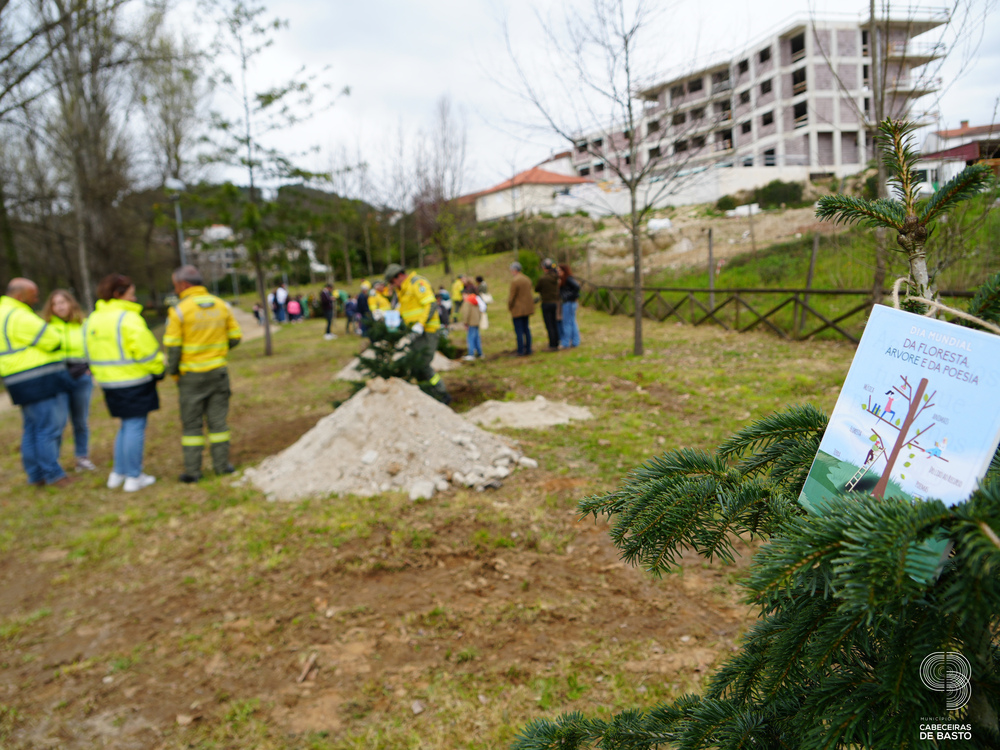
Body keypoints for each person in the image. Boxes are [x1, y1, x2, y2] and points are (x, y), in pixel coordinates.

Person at [164, 265, 242, 483]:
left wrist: (173, 372)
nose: (175, 290)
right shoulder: (221, 305)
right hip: (218, 373)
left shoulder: (179, 310)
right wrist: (216, 349)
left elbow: (173, 347)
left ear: (184, 285)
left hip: (191, 377)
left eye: (175, 285)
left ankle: (193, 471)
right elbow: (235, 337)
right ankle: (222, 466)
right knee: (218, 424)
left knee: (192, 426)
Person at [86, 274, 164, 492]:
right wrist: (159, 369)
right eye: (131, 293)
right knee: (134, 427)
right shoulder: (128, 318)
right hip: (133, 381)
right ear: (118, 294)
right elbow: (146, 351)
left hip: (109, 382)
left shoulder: (94, 318)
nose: (134, 297)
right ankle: (133, 476)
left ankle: (118, 473)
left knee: (125, 426)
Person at [0, 278, 75, 487]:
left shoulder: (3, 312)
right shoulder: (18, 315)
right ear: (20, 295)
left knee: (33, 428)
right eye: (34, 294)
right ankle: (53, 474)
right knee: (49, 428)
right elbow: (51, 340)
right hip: (37, 379)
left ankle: (35, 475)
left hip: (16, 379)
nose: (37, 298)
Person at [42, 289, 96, 471]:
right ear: (51, 307)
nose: (60, 307)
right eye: (55, 304)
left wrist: (91, 369)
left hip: (81, 377)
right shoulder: (47, 326)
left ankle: (82, 457)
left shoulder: (83, 324)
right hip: (58, 379)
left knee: (80, 420)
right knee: (57, 422)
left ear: (71, 303)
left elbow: (94, 348)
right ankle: (53, 461)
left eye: (62, 302)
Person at [385, 263, 450, 404]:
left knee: (424, 363)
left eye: (392, 281)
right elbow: (405, 308)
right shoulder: (401, 289)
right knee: (415, 363)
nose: (392, 285)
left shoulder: (417, 283)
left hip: (428, 330)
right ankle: (425, 392)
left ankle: (441, 392)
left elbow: (430, 304)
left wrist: (421, 324)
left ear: (400, 275)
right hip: (414, 332)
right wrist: (393, 317)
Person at [507, 261, 534, 356]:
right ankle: (529, 349)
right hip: (527, 308)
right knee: (526, 329)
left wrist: (509, 306)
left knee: (518, 330)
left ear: (514, 270)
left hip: (518, 309)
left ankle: (520, 350)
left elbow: (512, 297)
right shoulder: (527, 279)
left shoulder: (515, 281)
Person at [535, 259, 561, 351]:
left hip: (546, 303)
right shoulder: (556, 277)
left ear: (544, 268)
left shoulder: (543, 278)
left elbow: (537, 288)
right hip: (555, 303)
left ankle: (552, 345)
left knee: (549, 325)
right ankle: (557, 342)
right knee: (555, 324)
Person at [558, 263, 581, 349]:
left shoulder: (568, 278)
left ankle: (566, 342)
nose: (558, 272)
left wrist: (568, 296)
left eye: (560, 270)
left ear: (564, 271)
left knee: (567, 323)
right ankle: (575, 341)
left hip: (569, 303)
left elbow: (577, 287)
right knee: (572, 322)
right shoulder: (564, 279)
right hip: (570, 302)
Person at [460, 288, 486, 361]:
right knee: (477, 337)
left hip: (471, 322)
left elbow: (466, 313)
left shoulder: (467, 301)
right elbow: (480, 310)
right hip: (476, 321)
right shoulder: (476, 300)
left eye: (463, 295)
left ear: (466, 294)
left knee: (470, 338)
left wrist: (465, 322)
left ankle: (471, 354)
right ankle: (480, 353)